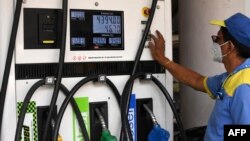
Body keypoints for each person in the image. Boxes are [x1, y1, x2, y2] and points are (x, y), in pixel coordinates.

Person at [148, 13, 250, 141]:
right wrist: (163, 60)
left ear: (229, 46)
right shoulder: (232, 77)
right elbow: (197, 81)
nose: (214, 43)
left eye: (216, 39)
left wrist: (221, 134)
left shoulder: (243, 86)